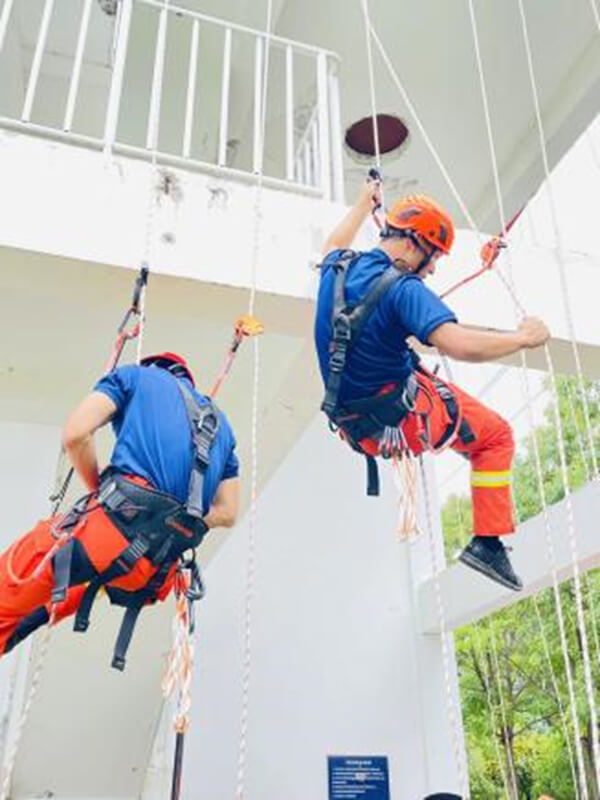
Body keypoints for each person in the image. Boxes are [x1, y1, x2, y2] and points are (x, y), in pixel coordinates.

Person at [314, 179, 549, 591]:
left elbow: (333, 241)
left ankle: (489, 541)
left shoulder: (337, 267)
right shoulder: (405, 290)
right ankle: (488, 542)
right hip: (397, 420)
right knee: (495, 436)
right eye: (433, 256)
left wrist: (359, 205)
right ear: (411, 244)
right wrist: (523, 340)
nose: (433, 268)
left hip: (354, 421)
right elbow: (458, 345)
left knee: (410, 365)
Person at [0, 352, 240, 668]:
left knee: (21, 572)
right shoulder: (222, 426)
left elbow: (76, 435)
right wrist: (170, 516)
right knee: (78, 577)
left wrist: (105, 493)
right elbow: (228, 513)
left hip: (109, 537)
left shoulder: (133, 378)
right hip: (154, 572)